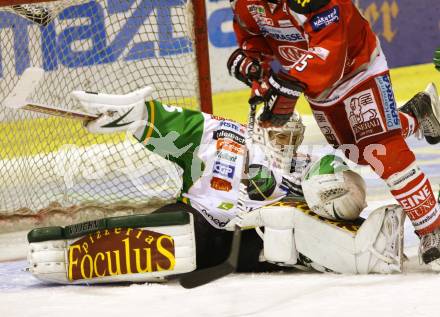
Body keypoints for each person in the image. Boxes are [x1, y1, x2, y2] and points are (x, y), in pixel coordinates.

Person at [26, 87, 403, 285]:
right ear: (259, 123)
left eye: (292, 130)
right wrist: (135, 119)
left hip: (252, 242)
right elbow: (173, 125)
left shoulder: (306, 166)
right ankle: (83, 250)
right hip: (200, 221)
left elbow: (346, 188)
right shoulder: (224, 132)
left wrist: (341, 189)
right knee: (170, 235)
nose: (285, 138)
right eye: (278, 125)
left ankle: (361, 250)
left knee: (287, 229)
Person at [227, 0, 440, 267]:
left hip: (357, 68)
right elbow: (255, 36)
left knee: (382, 149)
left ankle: (432, 228)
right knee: (359, 152)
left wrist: (291, 84)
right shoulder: (245, 3)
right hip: (316, 86)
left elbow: (331, 49)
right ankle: (418, 115)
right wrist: (253, 63)